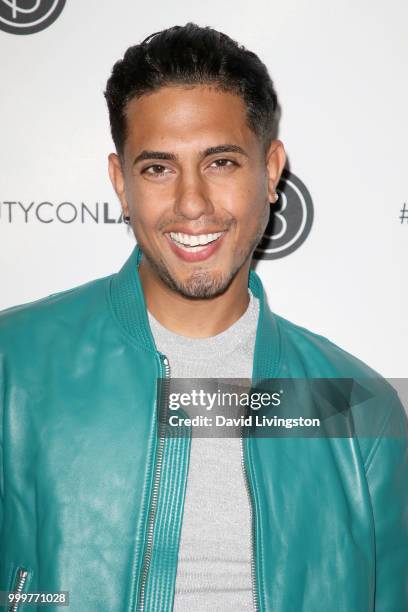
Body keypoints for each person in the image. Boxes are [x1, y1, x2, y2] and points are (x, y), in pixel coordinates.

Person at [0, 22, 407, 612]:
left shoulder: (353, 407)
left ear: (270, 173)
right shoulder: (14, 367)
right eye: (158, 169)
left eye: (219, 163)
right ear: (120, 183)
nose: (192, 204)